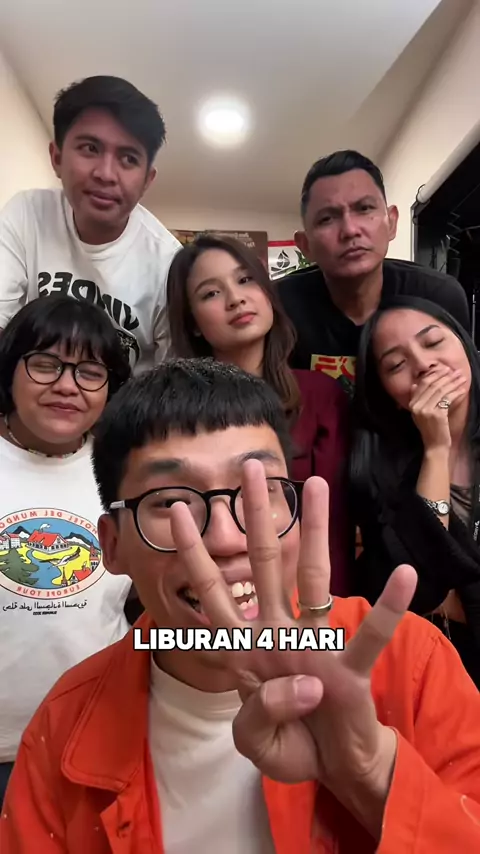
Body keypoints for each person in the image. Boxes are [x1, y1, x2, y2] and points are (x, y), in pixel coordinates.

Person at [2, 358, 480, 853]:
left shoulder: (411, 666)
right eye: (171, 502)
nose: (227, 539)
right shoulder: (64, 726)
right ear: (113, 545)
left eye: (260, 491)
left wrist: (370, 771)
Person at [0, 295, 132, 807]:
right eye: (46, 364)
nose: (67, 385)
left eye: (89, 372)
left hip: (95, 735)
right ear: (11, 369)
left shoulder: (125, 471)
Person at [166, 234, 353, 594]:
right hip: (221, 600)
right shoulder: (177, 413)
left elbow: (340, 520)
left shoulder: (321, 394)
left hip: (322, 599)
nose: (236, 298)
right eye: (211, 293)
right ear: (192, 322)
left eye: (245, 279)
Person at [0, 75, 180, 372]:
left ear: (147, 180)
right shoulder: (27, 214)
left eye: (128, 158)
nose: (106, 174)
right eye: (90, 148)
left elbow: (172, 381)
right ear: (57, 158)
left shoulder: (169, 263)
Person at [350, 295, 480, 687]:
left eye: (434, 341)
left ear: (464, 344)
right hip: (444, 681)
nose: (424, 365)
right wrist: (436, 449)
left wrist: (463, 600)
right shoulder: (381, 473)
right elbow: (420, 589)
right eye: (396, 364)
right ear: (388, 394)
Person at [277, 150, 471, 397]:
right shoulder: (279, 305)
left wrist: (441, 413)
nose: (350, 230)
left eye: (364, 208)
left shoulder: (438, 295)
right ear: (305, 245)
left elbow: (464, 394)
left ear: (392, 222)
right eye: (326, 219)